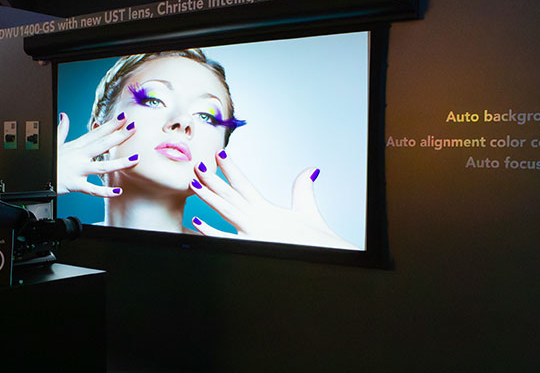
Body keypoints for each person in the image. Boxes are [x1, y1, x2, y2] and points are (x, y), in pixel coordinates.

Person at [57, 48, 356, 248]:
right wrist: (36, 185)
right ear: (99, 130)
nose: (183, 122)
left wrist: (330, 255)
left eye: (206, 116)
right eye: (154, 100)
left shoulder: (239, 264)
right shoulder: (53, 244)